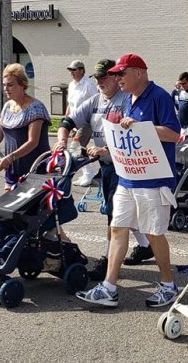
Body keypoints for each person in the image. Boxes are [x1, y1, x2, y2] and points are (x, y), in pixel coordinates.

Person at [76, 53, 182, 309]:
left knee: (153, 233)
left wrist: (141, 125)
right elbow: (132, 140)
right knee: (117, 228)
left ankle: (168, 285)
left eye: (122, 73)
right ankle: (109, 287)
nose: (117, 78)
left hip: (153, 179)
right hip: (128, 176)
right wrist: (109, 151)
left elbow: (174, 134)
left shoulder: (159, 97)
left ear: (139, 72)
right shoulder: (130, 100)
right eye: (116, 74)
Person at [56, 59, 151, 280]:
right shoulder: (94, 101)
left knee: (114, 214)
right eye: (97, 78)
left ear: (117, 77)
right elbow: (69, 121)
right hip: (107, 167)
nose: (100, 81)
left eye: (104, 77)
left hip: (128, 167)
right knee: (121, 211)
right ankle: (145, 245)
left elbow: (134, 133)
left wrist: (105, 149)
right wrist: (63, 141)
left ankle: (107, 259)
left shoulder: (128, 100)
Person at [0, 64, 50, 191]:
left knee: (29, 210)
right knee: (7, 208)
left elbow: (33, 142)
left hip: (34, 169)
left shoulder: (36, 108)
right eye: (4, 85)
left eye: (10, 85)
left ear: (23, 85)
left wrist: (10, 157)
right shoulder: (6, 107)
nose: (6, 89)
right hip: (12, 168)